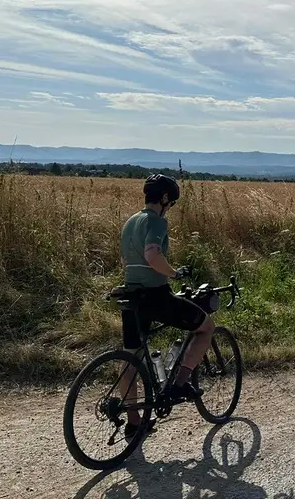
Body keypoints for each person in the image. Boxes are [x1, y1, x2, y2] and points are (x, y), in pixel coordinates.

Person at [116, 173, 214, 439]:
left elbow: (126, 261)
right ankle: (179, 384)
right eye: (171, 202)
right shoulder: (157, 221)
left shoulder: (130, 221)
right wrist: (173, 273)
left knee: (132, 356)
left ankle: (134, 422)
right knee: (206, 326)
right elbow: (152, 254)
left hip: (131, 294)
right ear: (165, 198)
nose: (170, 207)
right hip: (155, 294)